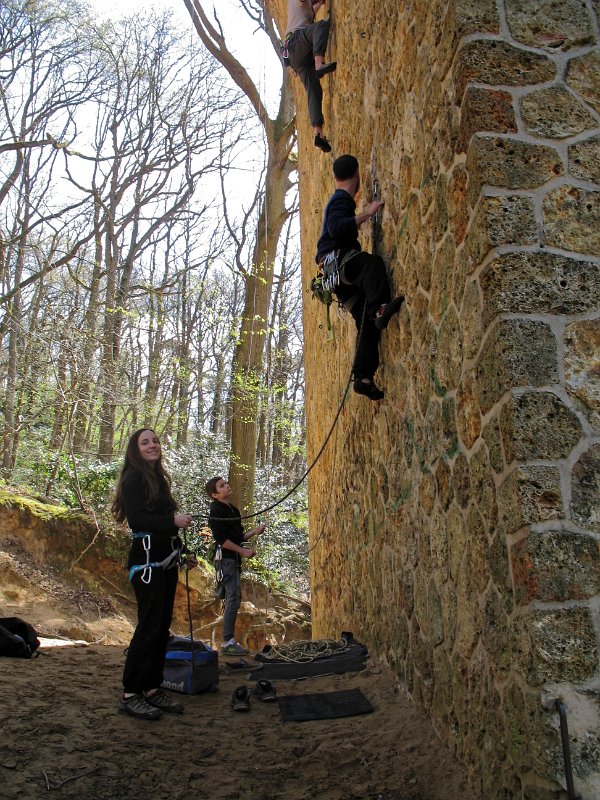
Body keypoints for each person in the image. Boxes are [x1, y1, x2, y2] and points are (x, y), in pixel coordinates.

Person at [112, 428, 193, 720]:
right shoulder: (134, 478)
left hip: (165, 559)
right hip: (146, 563)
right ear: (135, 450)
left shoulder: (157, 478)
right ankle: (130, 692)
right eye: (145, 442)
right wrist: (172, 521)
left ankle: (151, 687)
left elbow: (163, 524)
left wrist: (182, 551)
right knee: (148, 626)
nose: (152, 445)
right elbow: (137, 521)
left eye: (155, 441)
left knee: (160, 626)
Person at [316, 154, 405, 401]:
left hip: (336, 278)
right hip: (338, 262)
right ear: (357, 175)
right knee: (372, 265)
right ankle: (381, 308)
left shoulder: (339, 200)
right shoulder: (340, 198)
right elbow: (336, 228)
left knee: (365, 321)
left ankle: (363, 377)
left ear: (336, 176)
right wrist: (368, 212)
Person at [205, 476, 266, 655]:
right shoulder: (216, 511)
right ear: (215, 495)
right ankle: (227, 641)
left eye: (226, 483)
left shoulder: (232, 510)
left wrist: (254, 532)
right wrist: (243, 551)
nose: (227, 486)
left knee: (234, 597)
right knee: (233, 597)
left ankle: (228, 640)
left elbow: (238, 537)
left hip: (233, 560)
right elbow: (222, 540)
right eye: (222, 486)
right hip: (225, 560)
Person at [285, 0, 336, 153]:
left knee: (314, 91)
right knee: (320, 26)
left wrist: (320, 3)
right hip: (297, 42)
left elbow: (313, 8)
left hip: (296, 58)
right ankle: (319, 64)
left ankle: (318, 132)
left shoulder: (305, 10)